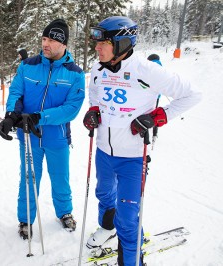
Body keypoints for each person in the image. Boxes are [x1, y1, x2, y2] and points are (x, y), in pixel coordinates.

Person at [83, 16, 202, 265]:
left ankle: (131, 260)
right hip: (104, 151)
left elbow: (192, 94)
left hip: (133, 158)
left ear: (122, 43)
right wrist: (94, 109)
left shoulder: (146, 71)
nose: (96, 48)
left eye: (102, 43)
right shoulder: (97, 69)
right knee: (104, 193)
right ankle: (107, 229)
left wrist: (158, 117)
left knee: (127, 218)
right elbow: (94, 91)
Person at [0, 18, 85, 239]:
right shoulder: (28, 65)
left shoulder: (75, 73)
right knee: (29, 177)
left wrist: (39, 117)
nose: (45, 44)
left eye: (52, 40)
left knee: (60, 177)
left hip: (57, 136)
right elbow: (16, 91)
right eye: (44, 38)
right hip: (28, 136)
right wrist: (11, 116)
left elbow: (71, 109)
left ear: (63, 44)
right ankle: (25, 218)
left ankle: (64, 212)